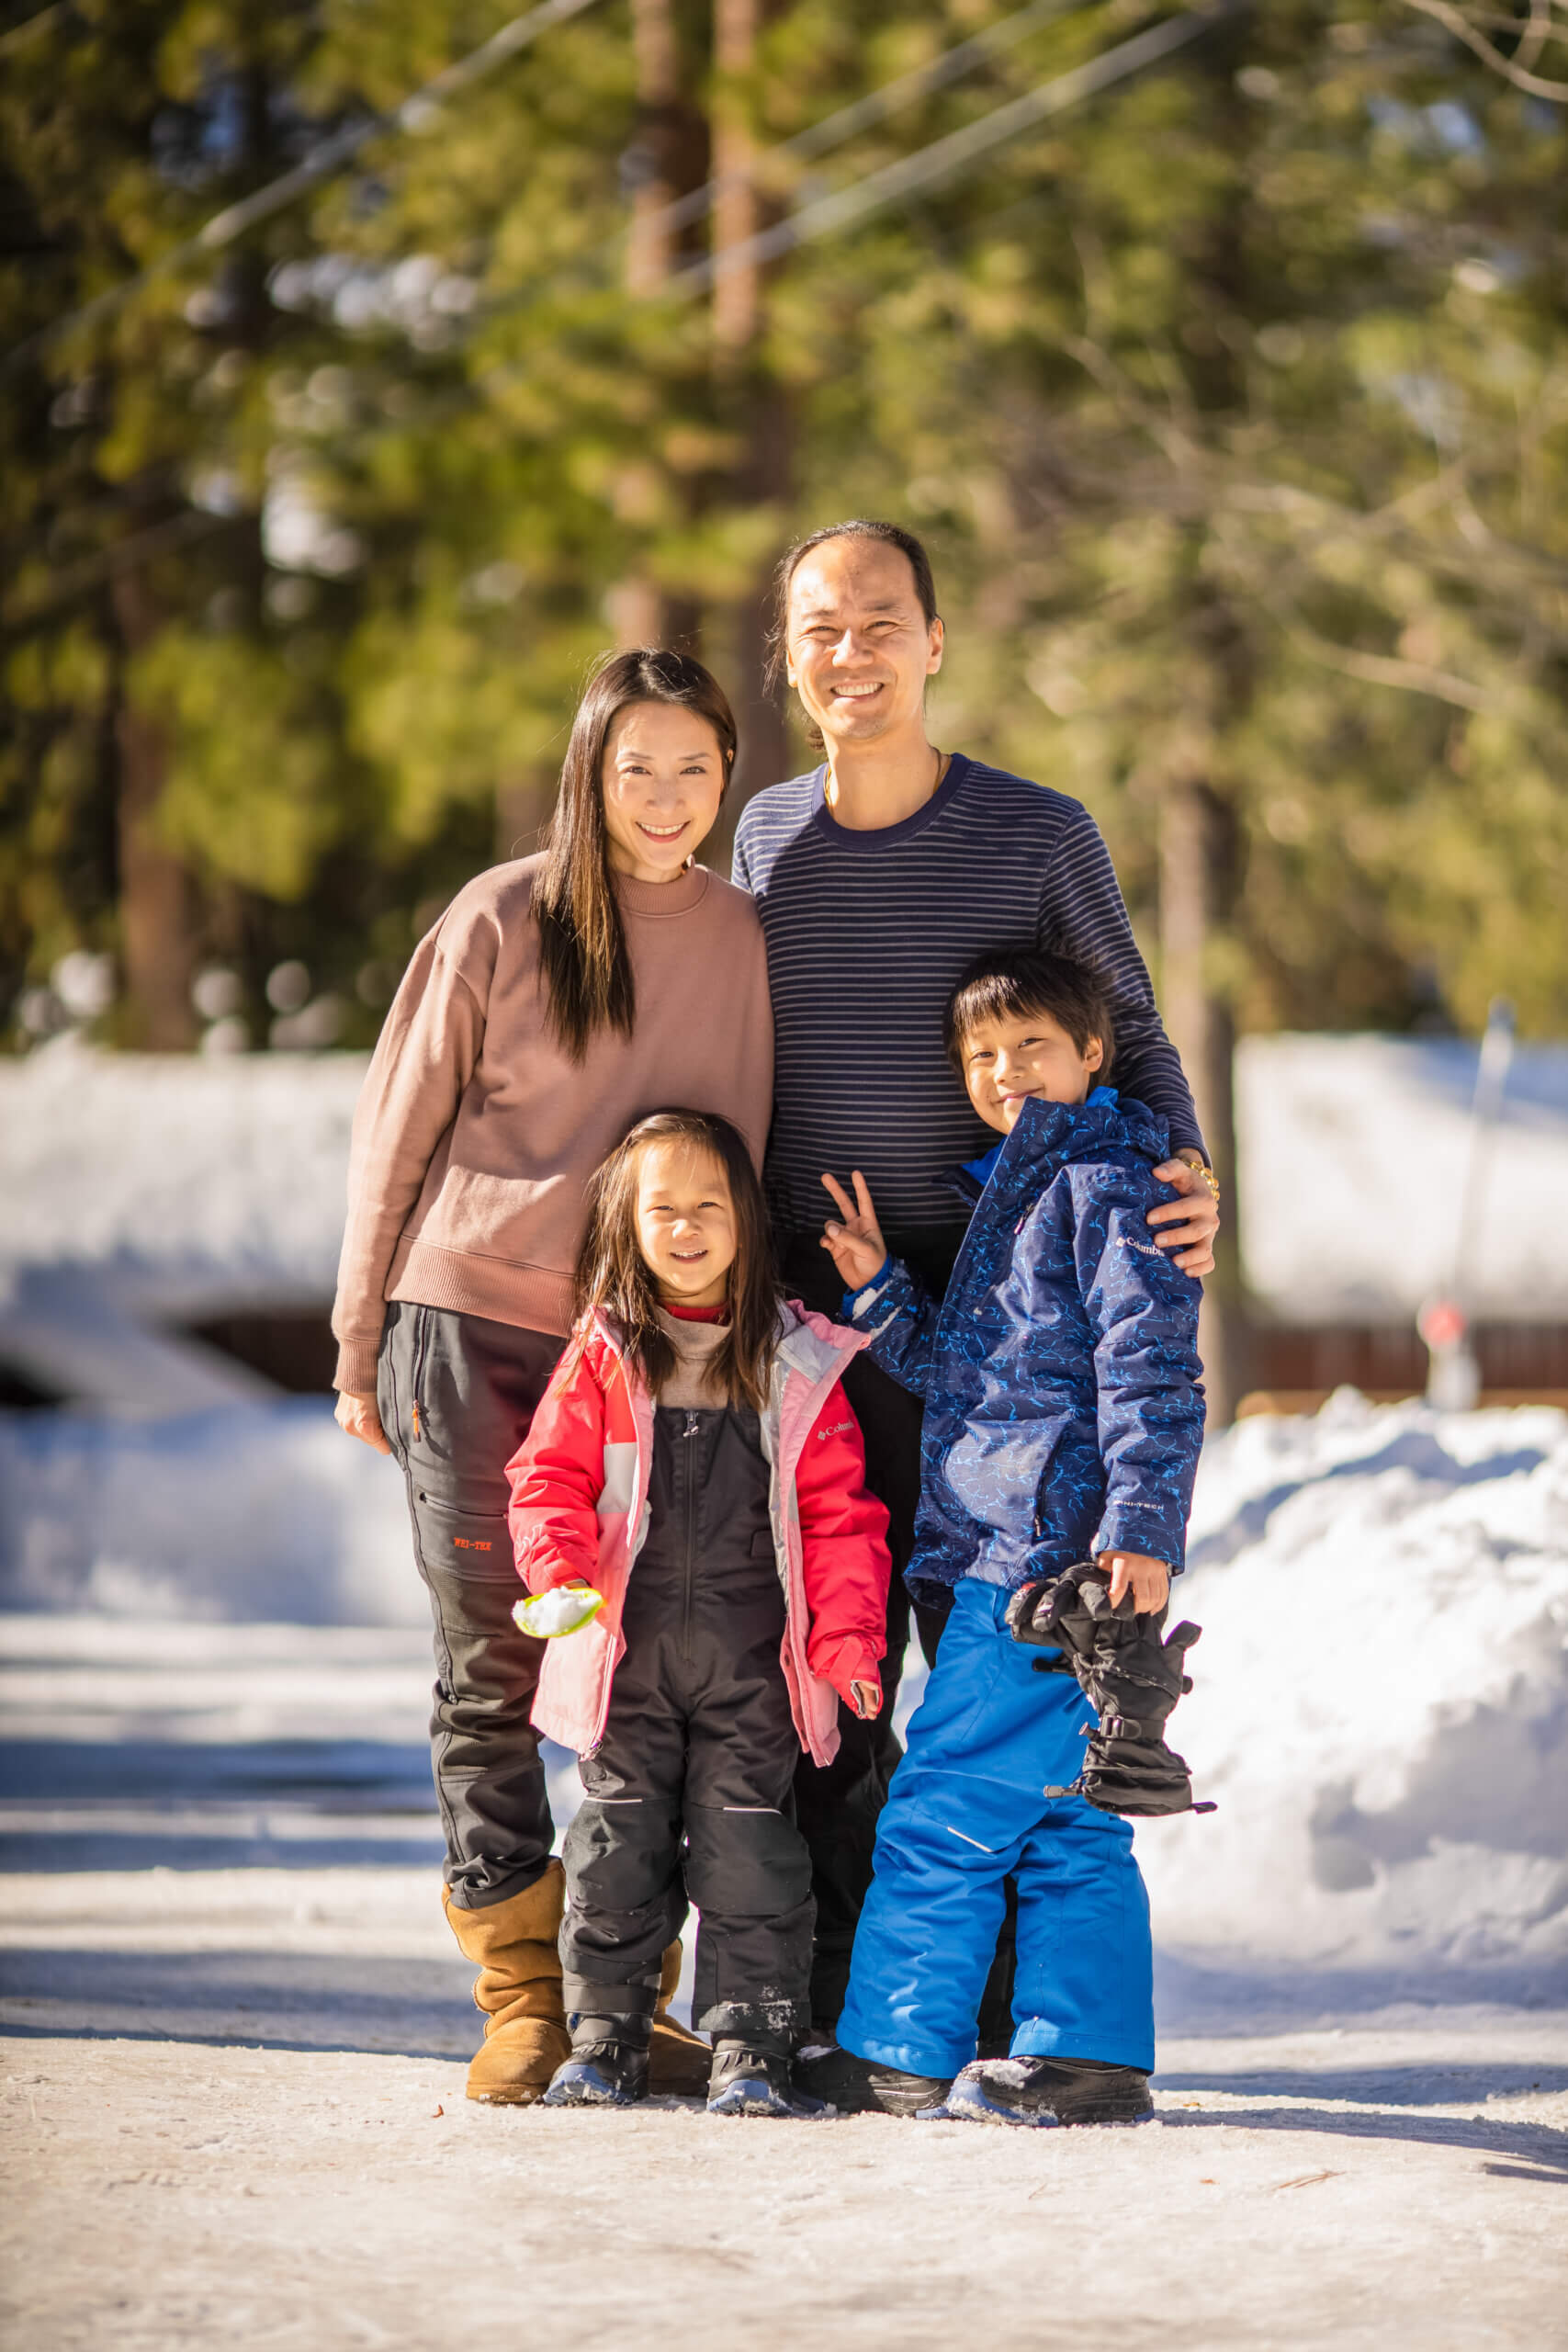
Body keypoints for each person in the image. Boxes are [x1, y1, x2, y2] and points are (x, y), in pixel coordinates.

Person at [730, 517, 1221, 2029]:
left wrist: (1182, 1178)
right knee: (833, 1653)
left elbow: (1127, 1034)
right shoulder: (760, 837)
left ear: (934, 643)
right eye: (821, 627)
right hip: (824, 1321)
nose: (852, 653)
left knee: (997, 1669)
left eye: (882, 622)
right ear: (789, 657)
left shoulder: (1034, 831)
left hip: (1013, 1339)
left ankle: (1014, 2013)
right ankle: (834, 2000)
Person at [330, 650, 773, 2106]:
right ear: (588, 768)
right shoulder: (497, 913)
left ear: (727, 778)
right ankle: (518, 1989)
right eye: (633, 767)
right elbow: (396, 1135)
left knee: (635, 1670)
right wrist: (357, 1339)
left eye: (694, 769)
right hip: (466, 1328)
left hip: (646, 1356)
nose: (663, 798)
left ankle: (615, 1987)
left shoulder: (743, 937)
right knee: (494, 1658)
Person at [802, 946, 1205, 2125]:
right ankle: (1087, 2055)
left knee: (947, 1802)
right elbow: (973, 1380)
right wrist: (883, 1294)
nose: (1005, 1069)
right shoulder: (1025, 1190)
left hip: (1036, 1563)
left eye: (1031, 1044)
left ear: (1093, 1052)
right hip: (1028, 1544)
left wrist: (1138, 1525)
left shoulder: (1110, 1187)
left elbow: (1152, 1370)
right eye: (981, 1054)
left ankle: (896, 2049)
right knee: (1068, 1811)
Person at [506, 1109, 891, 2118]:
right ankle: (604, 2034)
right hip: (624, 1658)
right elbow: (546, 1474)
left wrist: (850, 1642)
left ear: (746, 1220)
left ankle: (752, 2040)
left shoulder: (793, 1358)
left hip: (752, 1662)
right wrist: (553, 1568)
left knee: (751, 1841)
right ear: (625, 1225)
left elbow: (842, 1518)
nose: (685, 1227)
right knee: (614, 1839)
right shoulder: (604, 1353)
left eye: (708, 1206)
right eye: (661, 1208)